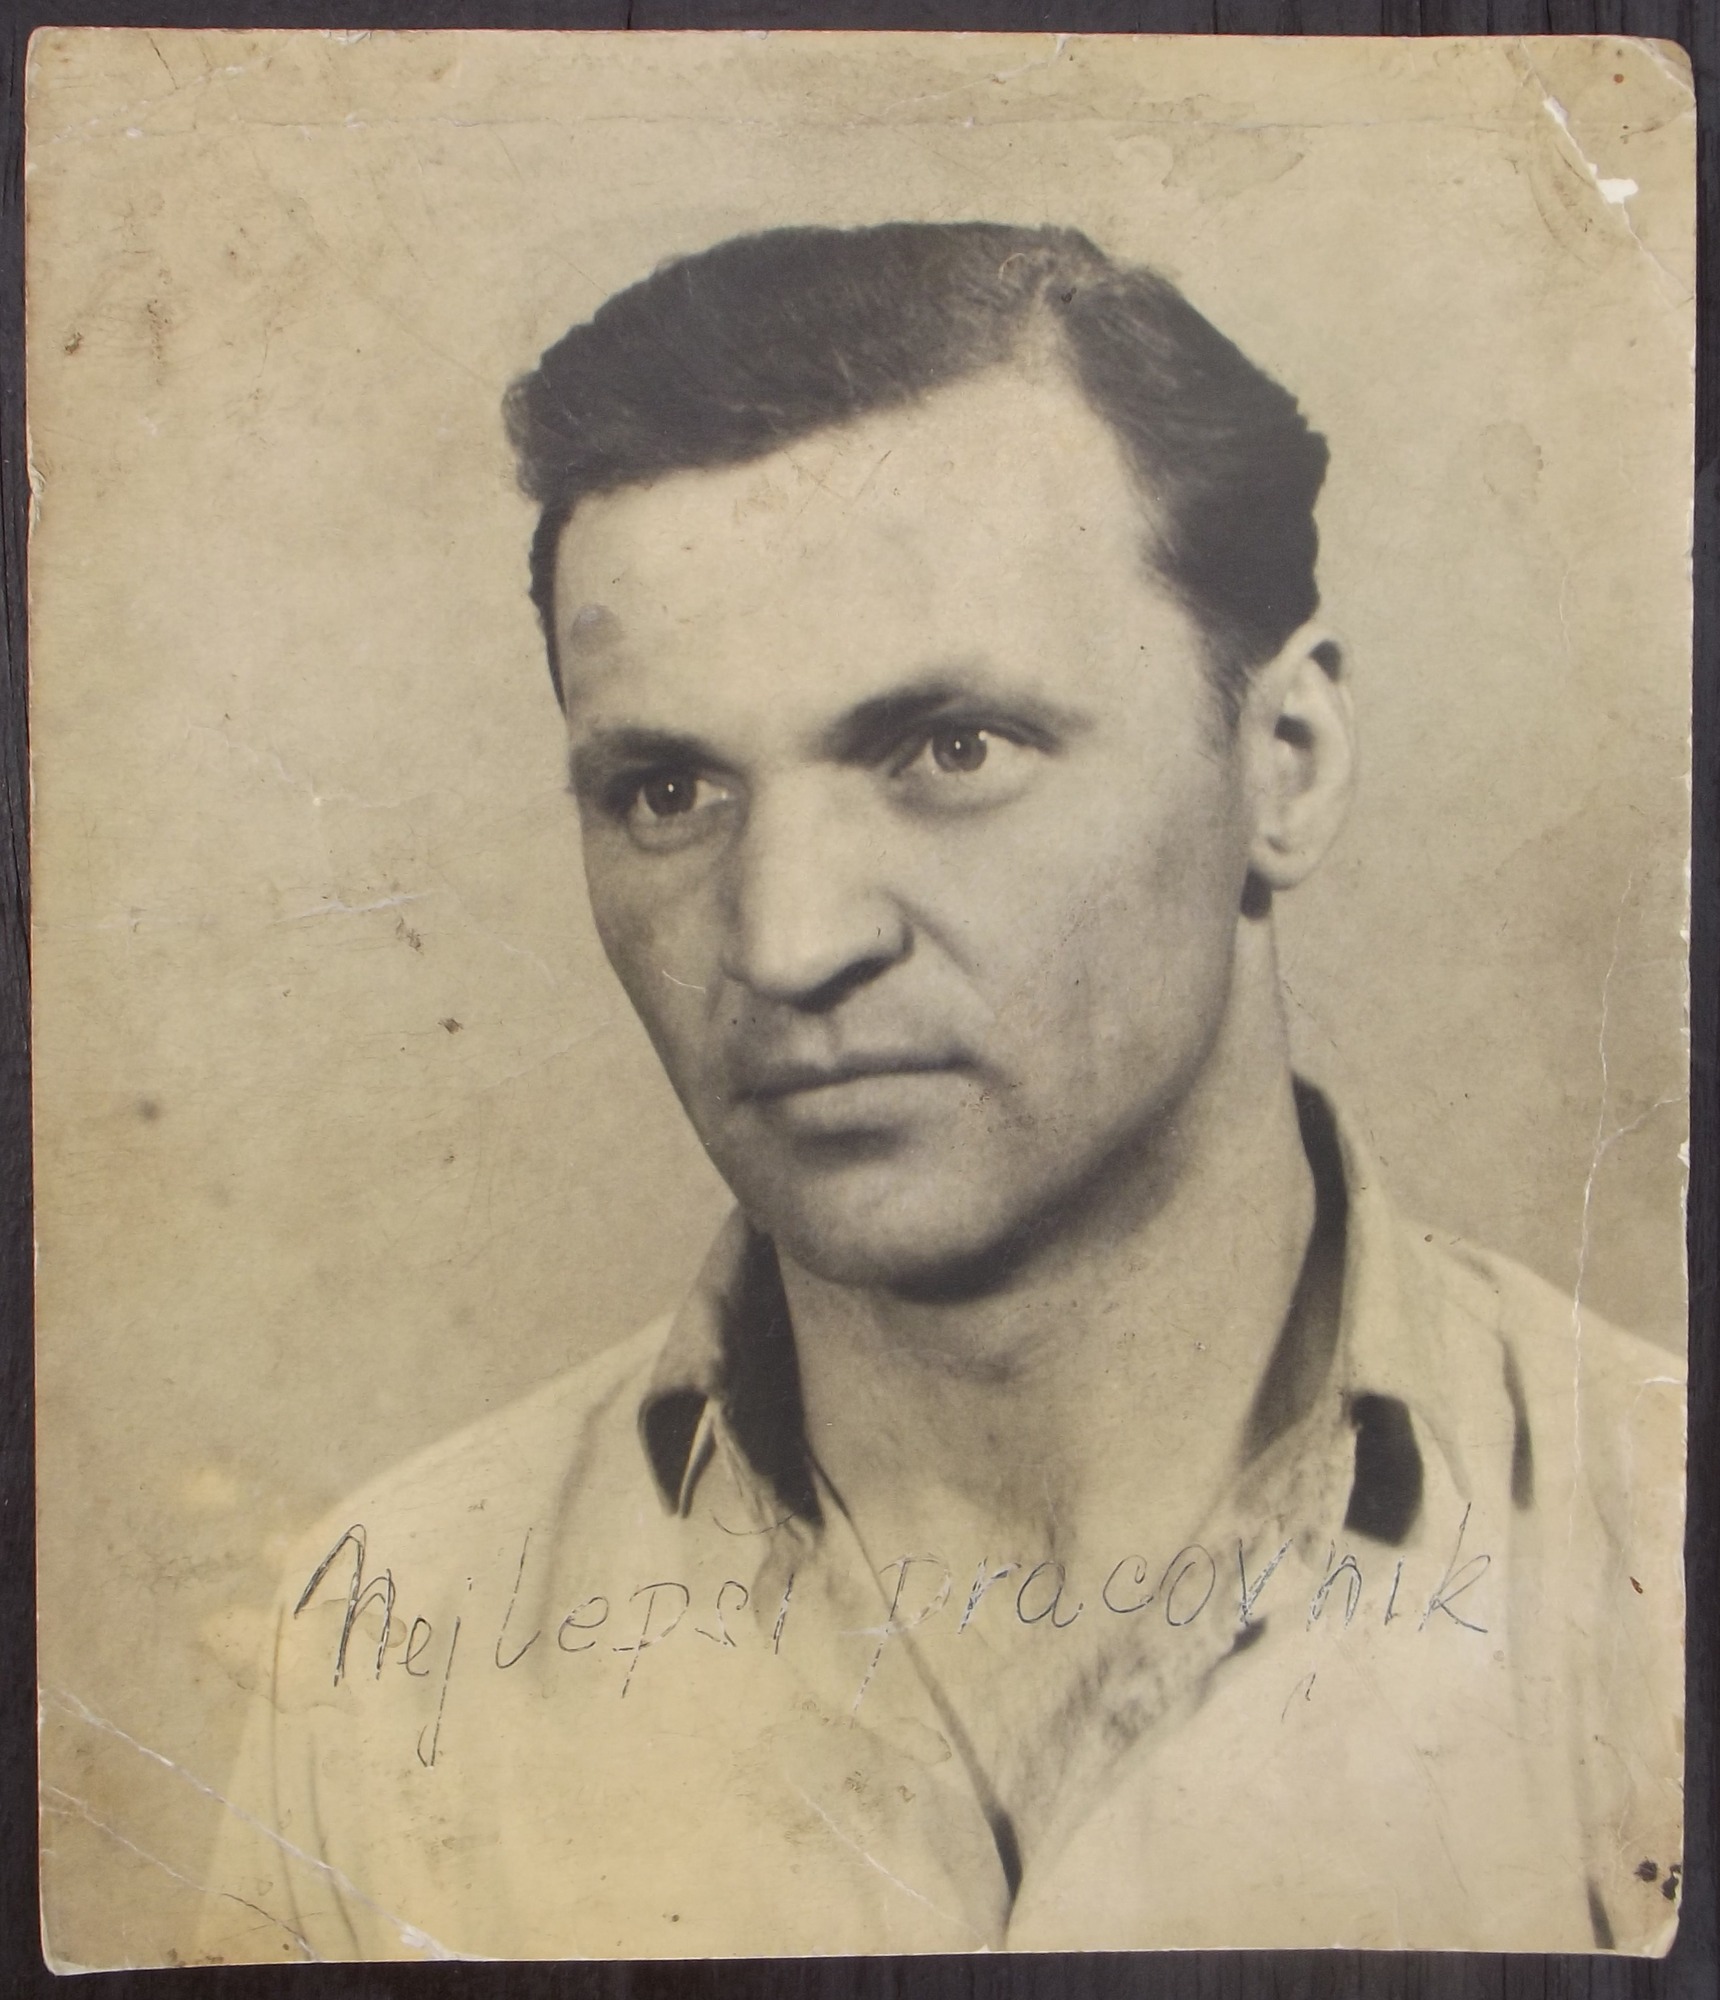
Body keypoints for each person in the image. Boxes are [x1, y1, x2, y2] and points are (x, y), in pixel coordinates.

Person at [198, 223, 1683, 1962]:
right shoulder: (386, 1649)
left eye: (952, 749)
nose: (787, 940)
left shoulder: (1664, 1573)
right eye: (669, 791)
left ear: (1284, 766)